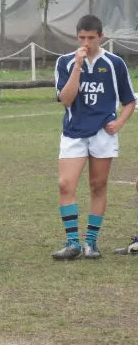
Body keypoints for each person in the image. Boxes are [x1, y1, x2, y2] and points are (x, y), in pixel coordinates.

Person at [52, 14, 136, 260]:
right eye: (82, 38)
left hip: (102, 133)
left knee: (98, 186)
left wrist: (119, 122)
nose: (86, 42)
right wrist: (78, 66)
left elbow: (129, 101)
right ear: (76, 37)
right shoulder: (65, 62)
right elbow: (66, 99)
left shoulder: (114, 63)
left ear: (102, 36)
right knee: (65, 184)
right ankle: (72, 242)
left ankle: (91, 242)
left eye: (91, 38)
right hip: (74, 132)